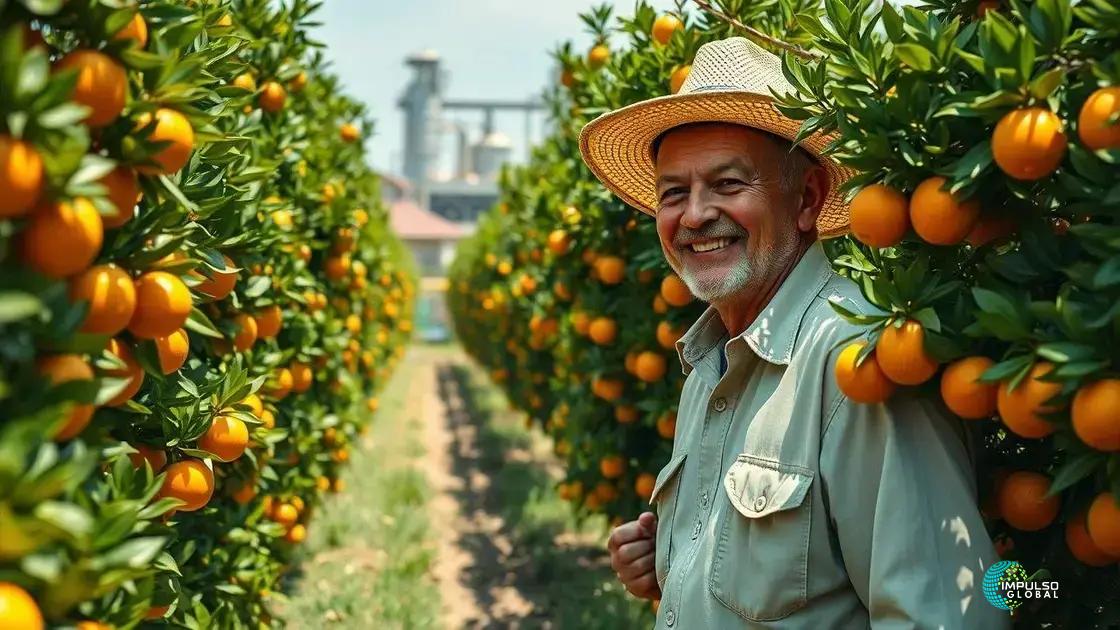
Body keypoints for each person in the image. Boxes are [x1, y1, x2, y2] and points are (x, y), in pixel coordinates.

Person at [578, 36, 1007, 629]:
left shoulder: (856, 365)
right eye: (674, 193)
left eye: (728, 185)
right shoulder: (710, 365)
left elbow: (938, 614)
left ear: (807, 199)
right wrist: (674, 566)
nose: (695, 214)